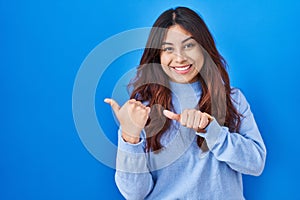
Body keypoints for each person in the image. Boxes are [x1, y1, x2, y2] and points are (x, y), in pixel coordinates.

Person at [104, 6, 266, 200]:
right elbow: (134, 194)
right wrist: (130, 137)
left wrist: (211, 130)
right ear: (158, 56)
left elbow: (256, 164)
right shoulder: (141, 109)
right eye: (168, 49)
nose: (180, 58)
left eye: (189, 45)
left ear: (204, 48)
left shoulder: (232, 99)